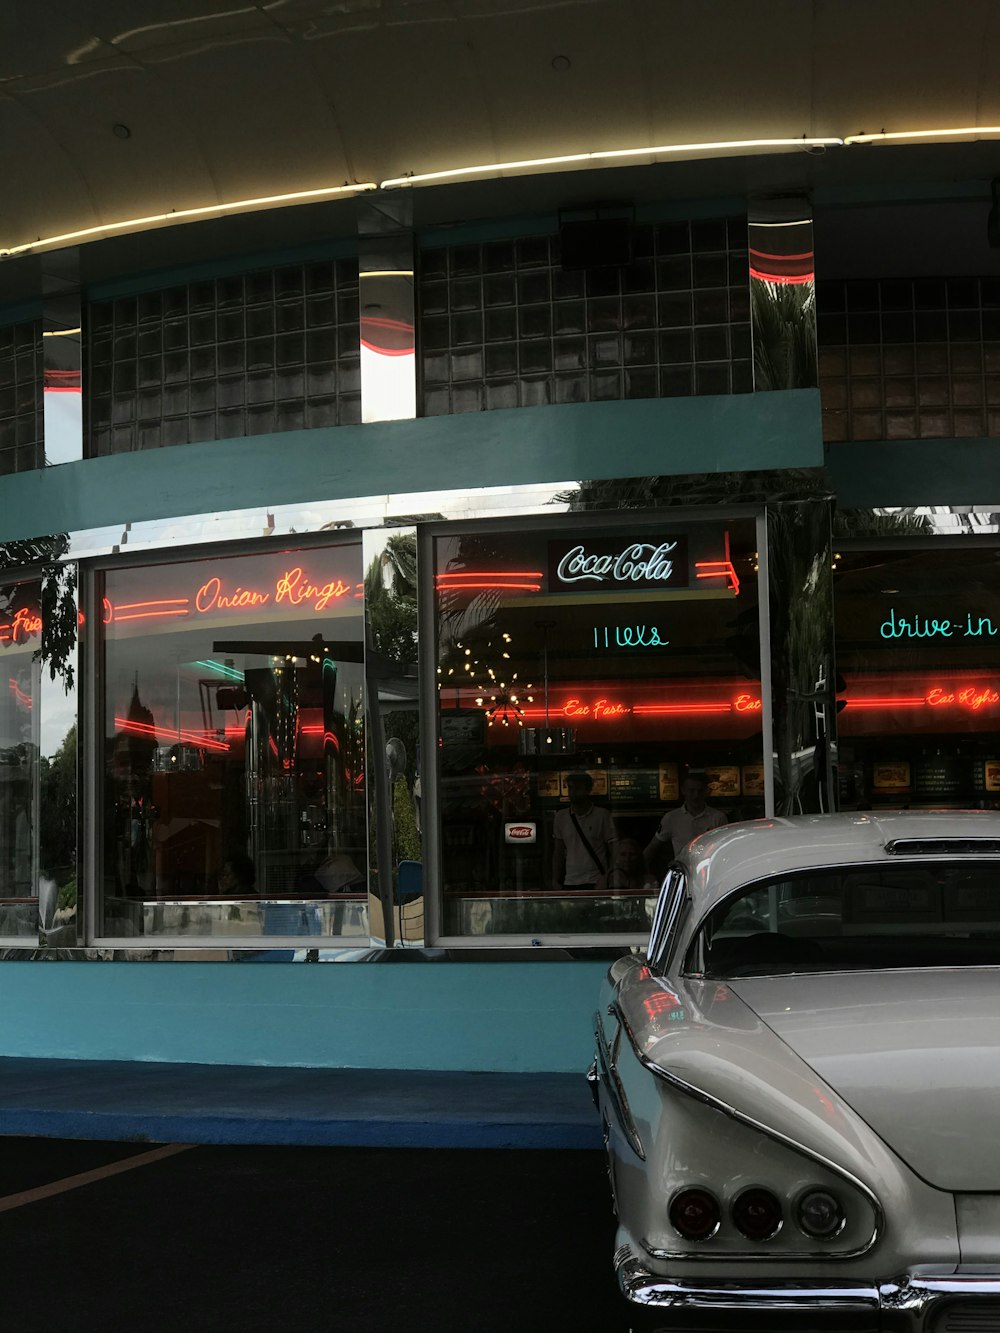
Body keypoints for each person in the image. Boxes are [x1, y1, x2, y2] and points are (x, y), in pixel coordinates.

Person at [644, 771, 726, 876]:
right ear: (683, 790)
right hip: (681, 873)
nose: (696, 795)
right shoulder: (671, 818)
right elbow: (651, 849)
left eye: (700, 791)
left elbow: (723, 850)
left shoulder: (718, 817)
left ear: (706, 791)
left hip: (709, 872)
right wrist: (646, 876)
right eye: (692, 791)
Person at [552, 772, 617, 891]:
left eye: (577, 788)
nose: (572, 792)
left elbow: (614, 851)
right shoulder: (560, 817)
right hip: (570, 880)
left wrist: (607, 877)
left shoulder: (602, 816)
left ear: (588, 790)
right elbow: (558, 853)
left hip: (596, 880)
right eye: (570, 788)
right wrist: (555, 880)